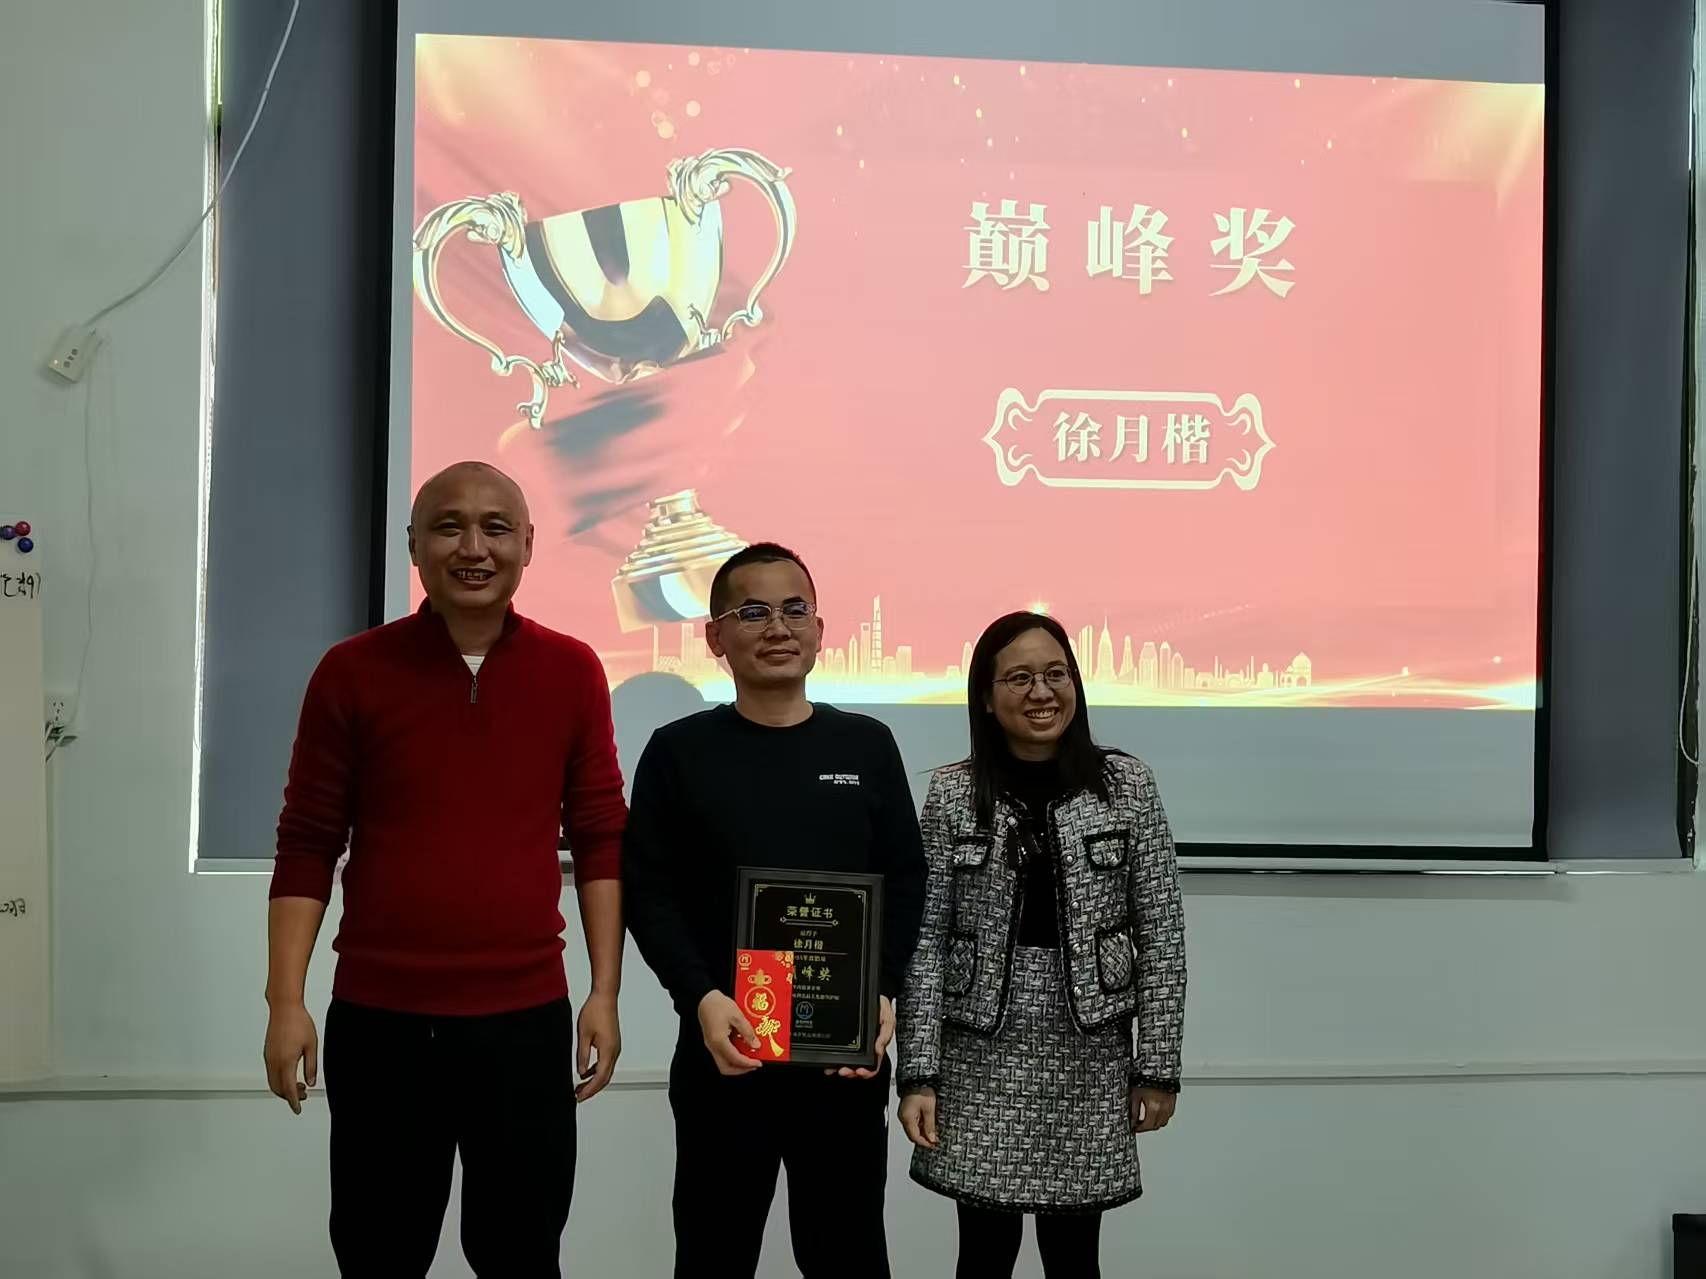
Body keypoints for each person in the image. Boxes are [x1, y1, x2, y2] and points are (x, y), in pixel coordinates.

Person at [262, 461, 627, 1277]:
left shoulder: (572, 669)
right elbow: (308, 841)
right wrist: (285, 1001)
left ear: (528, 543)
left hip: (524, 1018)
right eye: (449, 526)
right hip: (381, 1020)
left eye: (495, 527)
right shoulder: (351, 670)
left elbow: (601, 835)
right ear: (413, 546)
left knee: (520, 1252)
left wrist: (603, 992)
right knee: (379, 1251)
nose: (473, 547)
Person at [622, 542, 927, 1279]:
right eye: (753, 612)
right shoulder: (678, 751)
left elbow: (906, 879)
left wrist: (883, 989)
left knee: (848, 1255)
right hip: (726, 1052)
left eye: (795, 609)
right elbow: (649, 892)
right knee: (713, 1256)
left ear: (820, 630)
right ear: (715, 636)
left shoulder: (867, 745)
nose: (778, 627)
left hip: (842, 1062)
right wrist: (699, 996)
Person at [896, 611, 1186, 1279]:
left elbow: (1162, 933)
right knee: (983, 1252)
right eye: (1020, 677)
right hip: (978, 1052)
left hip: (1089, 1050)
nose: (1041, 691)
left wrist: (1157, 1067)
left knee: (1075, 1255)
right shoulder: (952, 793)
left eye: (1056, 674)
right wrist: (920, 1073)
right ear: (987, 696)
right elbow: (925, 941)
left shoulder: (1127, 786)